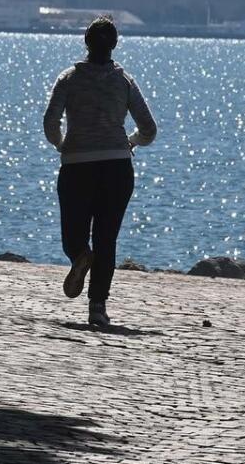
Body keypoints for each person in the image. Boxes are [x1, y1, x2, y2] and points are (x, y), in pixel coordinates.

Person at [43, 16, 157, 326]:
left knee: (73, 234)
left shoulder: (68, 79)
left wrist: (61, 144)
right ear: (115, 45)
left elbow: (50, 122)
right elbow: (149, 128)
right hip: (117, 166)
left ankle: (80, 255)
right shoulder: (124, 81)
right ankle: (97, 307)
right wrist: (130, 142)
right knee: (107, 238)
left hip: (77, 165)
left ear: (86, 43)